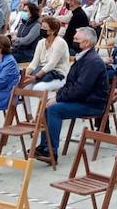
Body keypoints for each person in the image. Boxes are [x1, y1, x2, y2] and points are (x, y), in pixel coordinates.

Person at [43, 27, 108, 161]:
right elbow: (70, 84)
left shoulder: (92, 61)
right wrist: (57, 96)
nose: (73, 41)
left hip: (91, 103)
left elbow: (80, 89)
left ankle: (51, 151)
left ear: (87, 43)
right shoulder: (83, 57)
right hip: (82, 99)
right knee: (47, 106)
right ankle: (44, 147)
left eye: (77, 39)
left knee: (54, 109)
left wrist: (59, 98)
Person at [21, 16, 69, 93]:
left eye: (44, 27)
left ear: (53, 31)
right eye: (42, 27)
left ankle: (46, 104)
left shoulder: (60, 43)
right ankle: (28, 105)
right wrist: (26, 74)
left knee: (38, 88)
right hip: (43, 73)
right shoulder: (41, 42)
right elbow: (35, 62)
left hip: (58, 74)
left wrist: (35, 77)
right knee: (23, 86)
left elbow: (51, 64)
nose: (41, 29)